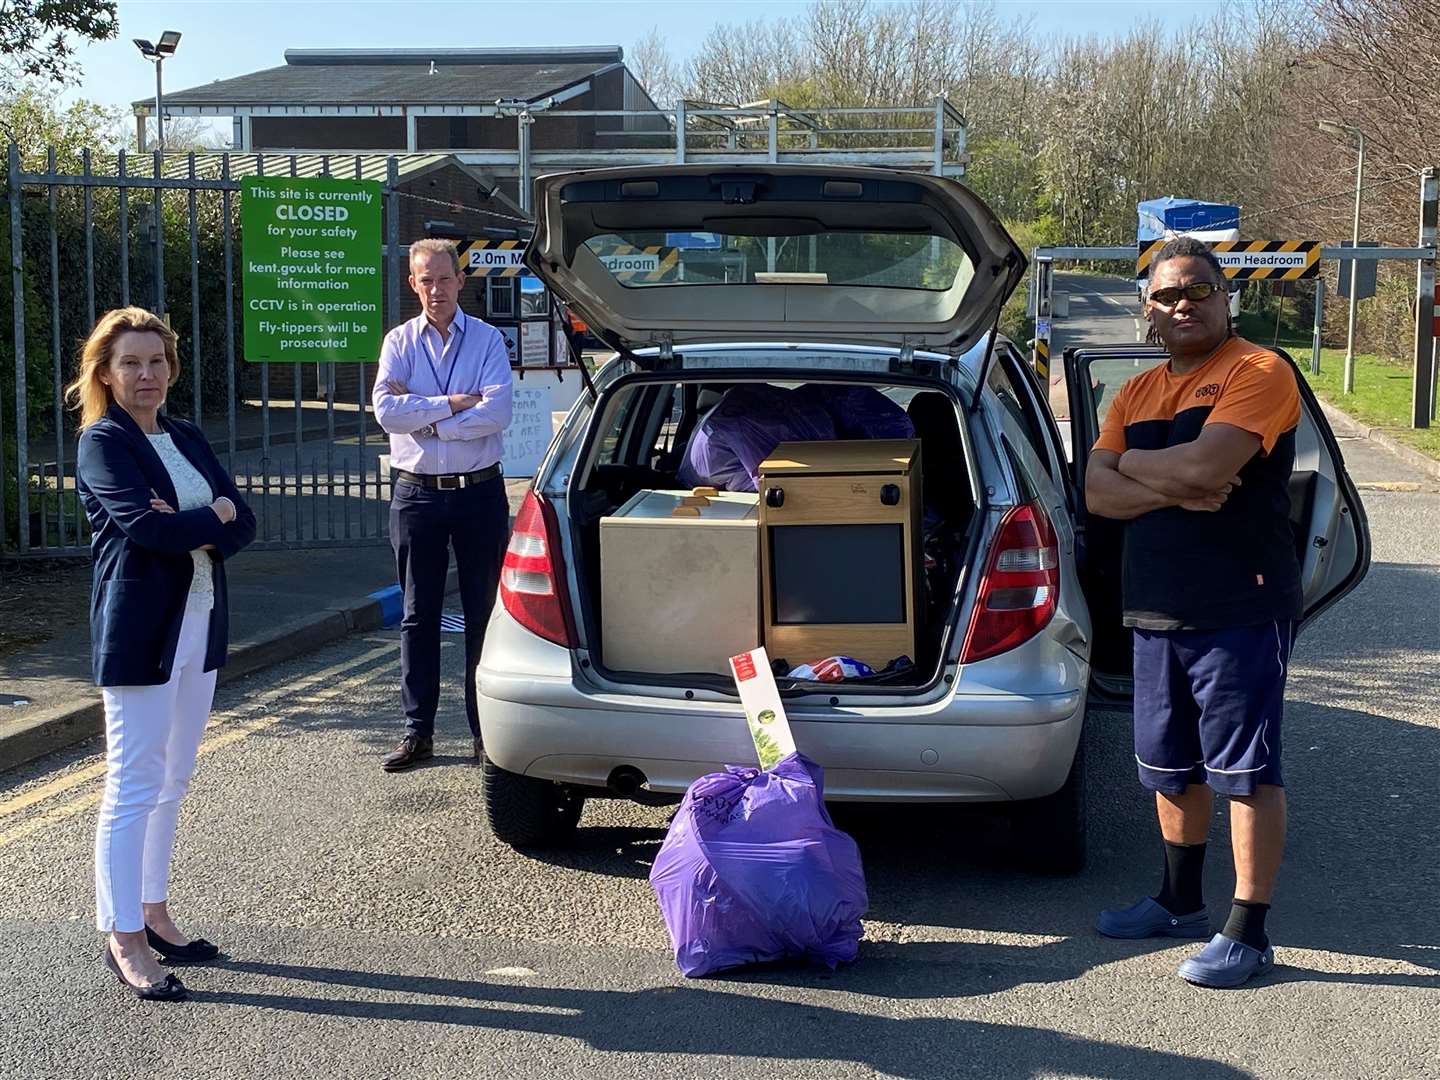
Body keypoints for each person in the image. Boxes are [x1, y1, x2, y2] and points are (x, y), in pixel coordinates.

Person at [1086, 236, 1303, 989]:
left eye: (1198, 290)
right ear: (1147, 310)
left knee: (1245, 772)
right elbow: (1096, 495)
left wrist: (1133, 468)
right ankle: (1179, 902)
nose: (1183, 304)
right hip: (1155, 607)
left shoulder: (1259, 370)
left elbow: (1209, 467)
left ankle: (1248, 932)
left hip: (1239, 603)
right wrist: (1163, 478)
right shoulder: (1135, 393)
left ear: (1224, 297)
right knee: (1170, 768)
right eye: (1167, 295)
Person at [71, 307, 256, 1002]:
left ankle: (155, 910)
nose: (145, 374)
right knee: (132, 785)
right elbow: (147, 529)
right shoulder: (103, 441)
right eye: (130, 363)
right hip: (142, 631)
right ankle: (122, 936)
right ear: (106, 373)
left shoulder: (184, 435)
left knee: (173, 778)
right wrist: (213, 518)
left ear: (170, 368)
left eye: (155, 361)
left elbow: (249, 517)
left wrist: (203, 522)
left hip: (200, 622)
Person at [373, 238, 513, 771]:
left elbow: (497, 410)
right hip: (416, 494)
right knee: (417, 616)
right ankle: (418, 732)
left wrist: (425, 418)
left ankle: (485, 733)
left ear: (461, 280)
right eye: (424, 280)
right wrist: (454, 405)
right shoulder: (398, 342)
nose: (436, 289)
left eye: (444, 278)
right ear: (413, 284)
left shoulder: (487, 340)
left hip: (479, 491)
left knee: (482, 615)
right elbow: (387, 411)